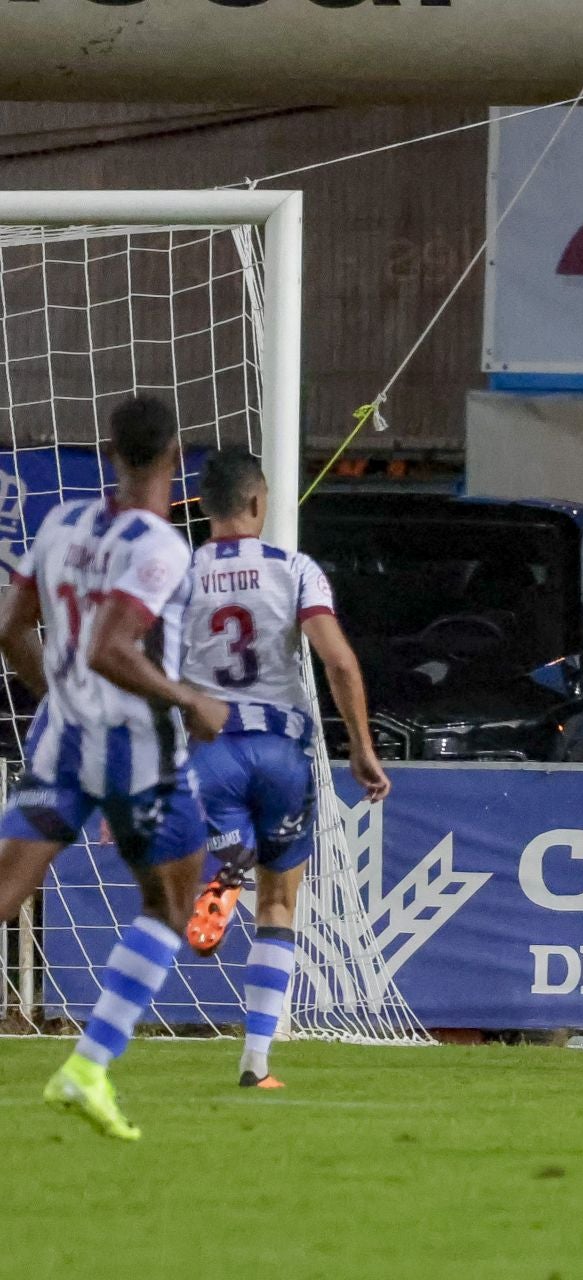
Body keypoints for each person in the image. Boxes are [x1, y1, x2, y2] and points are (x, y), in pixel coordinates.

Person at [0, 395, 228, 1140]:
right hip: (138, 753)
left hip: (62, 739)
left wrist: (57, 694)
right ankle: (89, 1067)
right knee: (170, 905)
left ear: (109, 452)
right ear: (174, 457)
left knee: (4, 891)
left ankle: (88, 1071)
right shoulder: (161, 546)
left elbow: (10, 627)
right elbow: (111, 647)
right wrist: (187, 698)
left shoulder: (61, 522)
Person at [177, 447, 392, 1088]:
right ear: (257, 503)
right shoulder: (296, 570)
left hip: (210, 749)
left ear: (202, 508)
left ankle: (228, 863)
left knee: (225, 858)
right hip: (282, 752)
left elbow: (148, 668)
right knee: (279, 904)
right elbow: (339, 662)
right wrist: (359, 745)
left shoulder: (179, 574)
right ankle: (256, 1062)